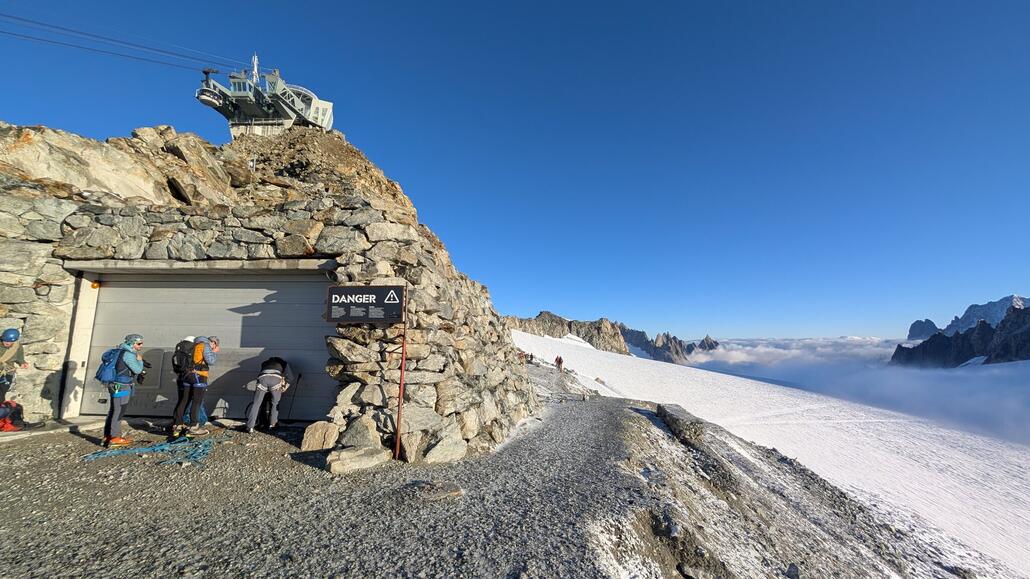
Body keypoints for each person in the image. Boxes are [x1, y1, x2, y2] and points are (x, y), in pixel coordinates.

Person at [102, 334, 145, 447]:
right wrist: (140, 361)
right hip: (122, 385)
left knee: (114, 409)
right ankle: (115, 437)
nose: (141, 345)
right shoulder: (129, 355)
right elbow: (137, 370)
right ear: (132, 343)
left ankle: (108, 435)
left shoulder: (119, 351)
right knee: (119, 410)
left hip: (114, 384)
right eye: (139, 343)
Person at [174, 336, 219, 437]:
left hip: (186, 375)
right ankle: (194, 427)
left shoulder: (191, 345)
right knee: (196, 401)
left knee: (184, 400)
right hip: (198, 376)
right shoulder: (204, 345)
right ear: (211, 342)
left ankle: (177, 425)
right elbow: (211, 361)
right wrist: (214, 352)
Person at [244, 356, 294, 434]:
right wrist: (284, 387)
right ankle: (272, 424)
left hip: (262, 379)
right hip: (276, 379)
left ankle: (250, 427)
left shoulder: (264, 363)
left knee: (256, 404)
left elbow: (264, 374)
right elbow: (290, 377)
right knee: (275, 403)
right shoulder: (284, 363)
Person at [168, 335, 196, 436]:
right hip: (189, 376)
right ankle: (180, 423)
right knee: (187, 400)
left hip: (180, 376)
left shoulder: (179, 348)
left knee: (182, 400)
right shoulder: (192, 347)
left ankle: (177, 422)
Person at [1, 328, 29, 403]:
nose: (7, 343)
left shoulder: (17, 347)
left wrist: (22, 363)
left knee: (1, 394)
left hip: (7, 373)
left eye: (10, 341)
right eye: (5, 340)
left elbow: (20, 357)